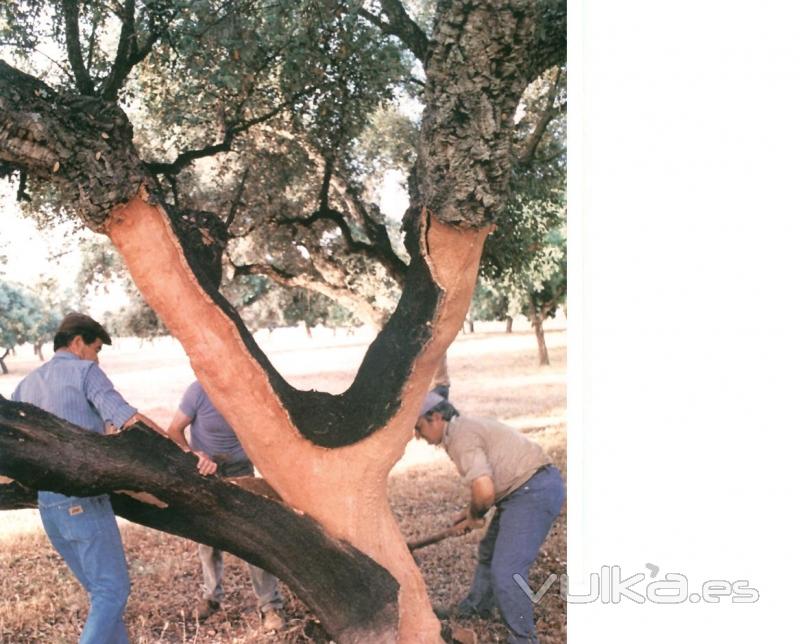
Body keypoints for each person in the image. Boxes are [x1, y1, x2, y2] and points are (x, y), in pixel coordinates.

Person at [11, 313, 217, 644]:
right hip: (83, 502)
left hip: (49, 508)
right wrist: (186, 455)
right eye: (95, 349)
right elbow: (128, 420)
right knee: (112, 591)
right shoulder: (84, 371)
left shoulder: (26, 384)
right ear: (77, 343)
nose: (96, 358)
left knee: (103, 595)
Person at [414, 392, 565, 644]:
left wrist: (476, 514)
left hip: (533, 491)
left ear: (436, 417)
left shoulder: (461, 438)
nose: (417, 436)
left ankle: (523, 638)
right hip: (523, 489)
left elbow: (484, 491)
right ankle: (478, 606)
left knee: (507, 570)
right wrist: (471, 513)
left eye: (419, 427)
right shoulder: (460, 430)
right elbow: (486, 488)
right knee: (489, 552)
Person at [167, 381, 285, 630]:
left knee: (256, 537)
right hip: (207, 473)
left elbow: (267, 433)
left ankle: (270, 606)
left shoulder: (248, 390)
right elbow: (174, 430)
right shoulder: (198, 391)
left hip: (242, 471)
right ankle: (211, 598)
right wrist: (194, 455)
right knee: (208, 540)